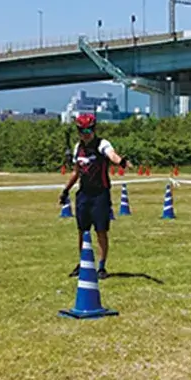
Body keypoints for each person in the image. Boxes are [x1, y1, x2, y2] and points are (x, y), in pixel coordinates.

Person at [59, 113, 130, 279]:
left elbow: (111, 154)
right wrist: (65, 190)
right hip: (84, 194)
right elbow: (76, 172)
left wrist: (120, 161)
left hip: (100, 194)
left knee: (101, 231)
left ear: (94, 129)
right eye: (82, 130)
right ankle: (83, 263)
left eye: (89, 130)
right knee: (82, 231)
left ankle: (102, 266)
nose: (86, 133)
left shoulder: (102, 144)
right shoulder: (78, 148)